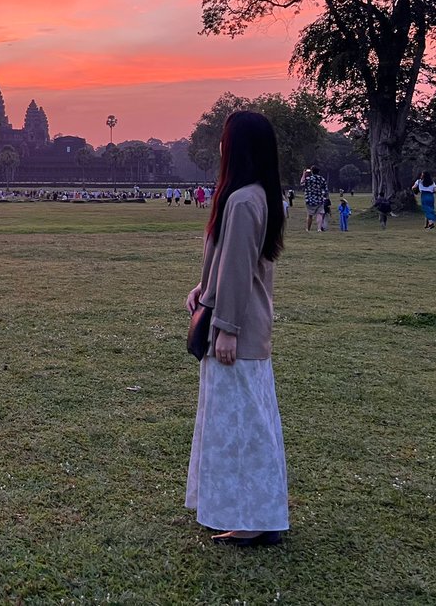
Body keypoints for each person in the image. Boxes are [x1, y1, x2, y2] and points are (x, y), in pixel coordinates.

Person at [184, 111, 289, 546]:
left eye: (225, 139)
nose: (220, 147)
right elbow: (231, 262)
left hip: (238, 333)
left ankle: (255, 518)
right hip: (239, 324)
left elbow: (241, 268)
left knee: (244, 426)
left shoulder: (245, 199)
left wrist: (225, 326)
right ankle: (245, 511)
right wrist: (203, 289)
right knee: (241, 422)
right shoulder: (252, 194)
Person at [302, 166, 327, 231]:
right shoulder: (322, 179)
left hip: (310, 199)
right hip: (319, 199)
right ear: (318, 172)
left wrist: (304, 174)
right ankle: (319, 228)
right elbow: (325, 189)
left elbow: (302, 183)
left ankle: (308, 229)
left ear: (311, 171)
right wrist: (324, 196)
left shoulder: (308, 178)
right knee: (320, 214)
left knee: (310, 215)